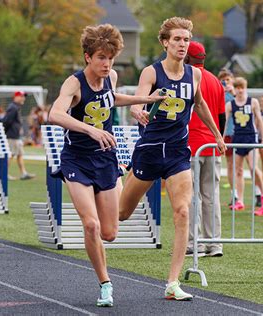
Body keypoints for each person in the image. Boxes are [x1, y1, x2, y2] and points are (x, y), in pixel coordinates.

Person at [48, 23, 166, 307]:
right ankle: (105, 283)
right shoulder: (74, 83)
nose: (107, 63)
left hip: (105, 159)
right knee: (90, 225)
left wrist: (144, 99)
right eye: (101, 57)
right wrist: (90, 130)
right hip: (77, 159)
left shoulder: (111, 77)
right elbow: (55, 113)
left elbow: (112, 99)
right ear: (88, 56)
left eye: (110, 57)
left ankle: (103, 261)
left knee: (109, 233)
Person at [119, 17, 226, 301]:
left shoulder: (195, 75)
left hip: (179, 152)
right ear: (165, 42)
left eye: (186, 39)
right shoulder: (151, 72)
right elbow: (139, 100)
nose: (182, 44)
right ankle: (117, 182)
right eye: (177, 39)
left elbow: (200, 104)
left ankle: (173, 282)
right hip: (150, 150)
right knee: (121, 215)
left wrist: (216, 133)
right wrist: (138, 110)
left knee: (182, 212)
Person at [184, 41, 225, 257]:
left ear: (188, 58)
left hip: (191, 144)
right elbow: (221, 116)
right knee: (211, 194)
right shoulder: (216, 81)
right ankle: (214, 243)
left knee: (192, 195)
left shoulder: (186, 78)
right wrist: (219, 139)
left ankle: (195, 243)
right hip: (212, 144)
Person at [225, 77, 263, 216]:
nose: (240, 90)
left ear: (245, 87)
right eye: (237, 87)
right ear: (235, 89)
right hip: (237, 138)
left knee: (254, 168)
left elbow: (259, 121)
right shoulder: (230, 105)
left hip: (251, 137)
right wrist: (222, 138)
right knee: (238, 170)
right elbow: (225, 123)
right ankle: (240, 200)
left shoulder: (252, 102)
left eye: (242, 87)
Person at [2, 91, 35, 180]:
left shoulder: (16, 107)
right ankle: (4, 174)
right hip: (12, 136)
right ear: (16, 97)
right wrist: (5, 132)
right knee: (11, 154)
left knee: (19, 154)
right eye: (21, 96)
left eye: (23, 96)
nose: (23, 98)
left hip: (15, 135)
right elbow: (7, 121)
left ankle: (23, 173)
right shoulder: (13, 107)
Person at [218, 69, 238, 204]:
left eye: (228, 80)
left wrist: (234, 93)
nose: (225, 82)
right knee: (229, 165)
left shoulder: (237, 94)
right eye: (223, 80)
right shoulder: (220, 94)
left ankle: (258, 193)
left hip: (238, 133)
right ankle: (234, 194)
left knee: (243, 167)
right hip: (223, 134)